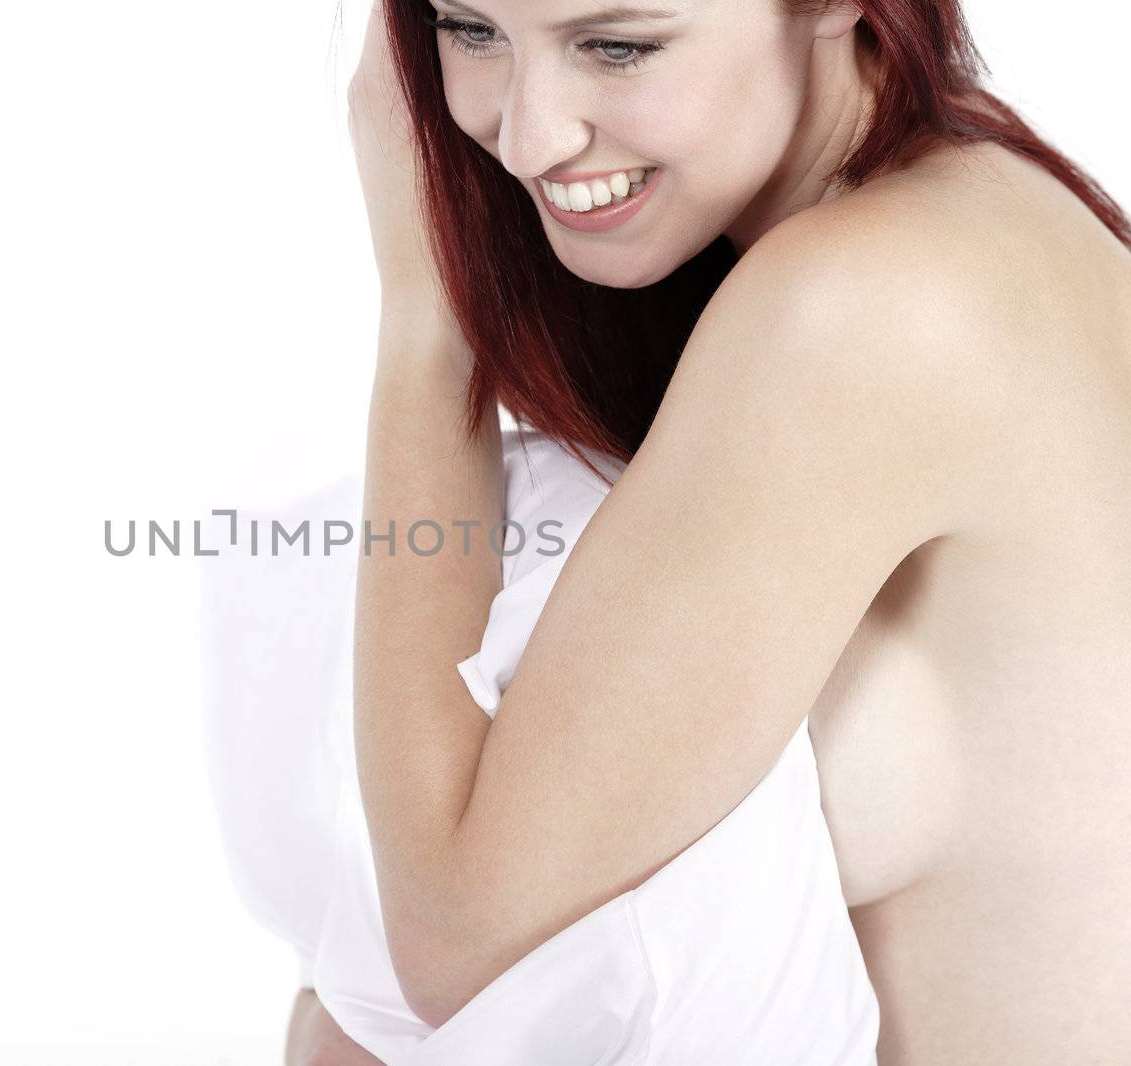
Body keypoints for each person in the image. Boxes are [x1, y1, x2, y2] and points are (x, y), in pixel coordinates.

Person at [327, 0, 1131, 1062]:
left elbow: (457, 946)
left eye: (617, 45)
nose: (526, 136)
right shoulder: (966, 202)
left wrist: (427, 320)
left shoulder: (864, 300)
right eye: (470, 30)